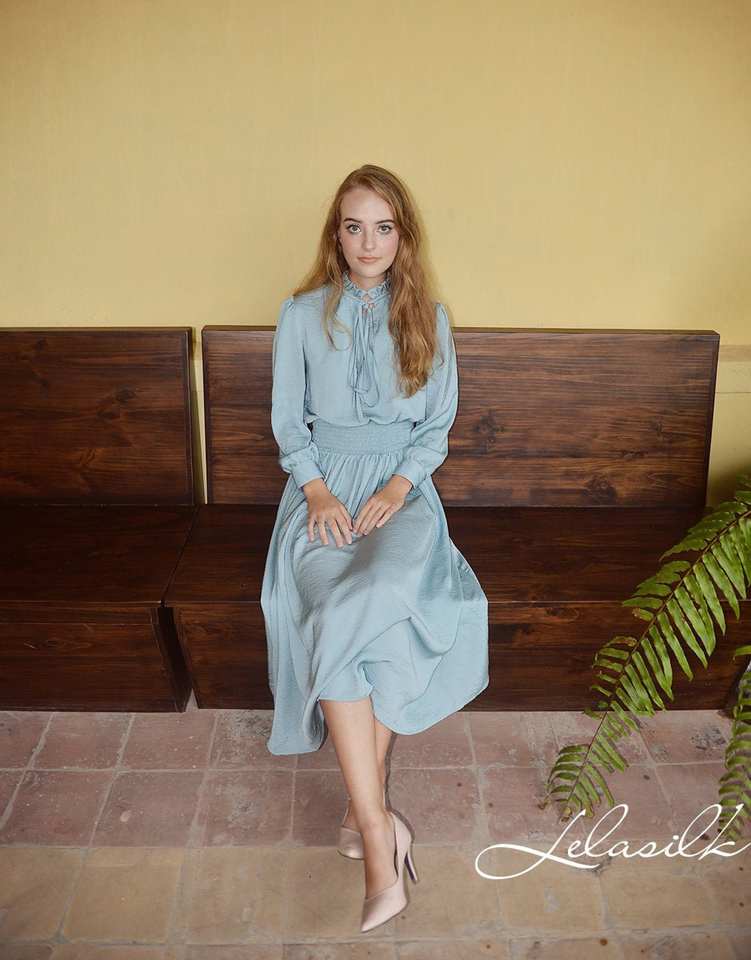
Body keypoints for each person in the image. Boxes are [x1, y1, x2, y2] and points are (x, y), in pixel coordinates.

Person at [260, 163, 490, 932]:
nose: (368, 242)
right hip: (321, 490)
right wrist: (316, 490)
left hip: (402, 495)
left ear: (402, 237)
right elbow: (287, 420)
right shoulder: (300, 315)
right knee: (335, 609)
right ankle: (375, 826)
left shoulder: (429, 316)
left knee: (380, 597)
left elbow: (436, 426)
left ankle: (370, 828)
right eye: (354, 227)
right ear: (336, 235)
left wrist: (397, 486)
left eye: (383, 228)